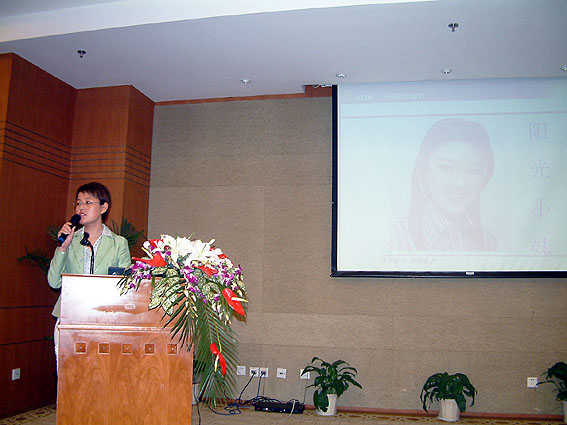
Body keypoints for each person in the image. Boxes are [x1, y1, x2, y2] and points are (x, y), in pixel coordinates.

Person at [47, 182, 131, 363]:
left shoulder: (118, 243)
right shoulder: (70, 240)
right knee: (69, 374)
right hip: (70, 317)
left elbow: (125, 286)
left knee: (101, 372)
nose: (81, 208)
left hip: (105, 319)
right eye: (78, 203)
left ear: (103, 207)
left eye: (88, 202)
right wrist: (62, 248)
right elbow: (54, 282)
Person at [390, 118, 496, 251]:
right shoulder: (396, 236)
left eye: (473, 170)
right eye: (446, 167)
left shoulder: (487, 240)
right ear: (424, 169)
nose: (460, 183)